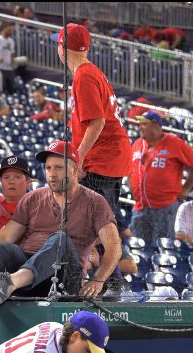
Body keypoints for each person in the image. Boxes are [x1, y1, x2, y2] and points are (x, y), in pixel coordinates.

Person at [0, 141, 120, 329]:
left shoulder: (95, 202)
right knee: (4, 249)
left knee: (59, 238)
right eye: (49, 168)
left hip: (66, 276)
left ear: (74, 171)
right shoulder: (32, 198)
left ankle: (9, 283)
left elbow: (114, 248)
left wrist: (98, 279)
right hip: (29, 274)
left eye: (59, 168)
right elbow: (5, 237)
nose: (52, 173)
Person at [54, 23, 131, 233]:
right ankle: (122, 258)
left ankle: (121, 262)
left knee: (92, 234)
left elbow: (98, 122)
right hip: (111, 158)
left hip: (102, 160)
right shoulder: (91, 71)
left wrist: (77, 160)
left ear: (62, 48)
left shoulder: (84, 76)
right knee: (102, 230)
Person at [129, 111, 193, 244]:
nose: (140, 127)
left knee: (163, 247)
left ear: (156, 126)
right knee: (138, 248)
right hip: (140, 207)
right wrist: (132, 186)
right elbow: (130, 168)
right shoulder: (137, 144)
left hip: (165, 207)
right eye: (139, 124)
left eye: (144, 124)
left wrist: (186, 189)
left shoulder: (174, 142)